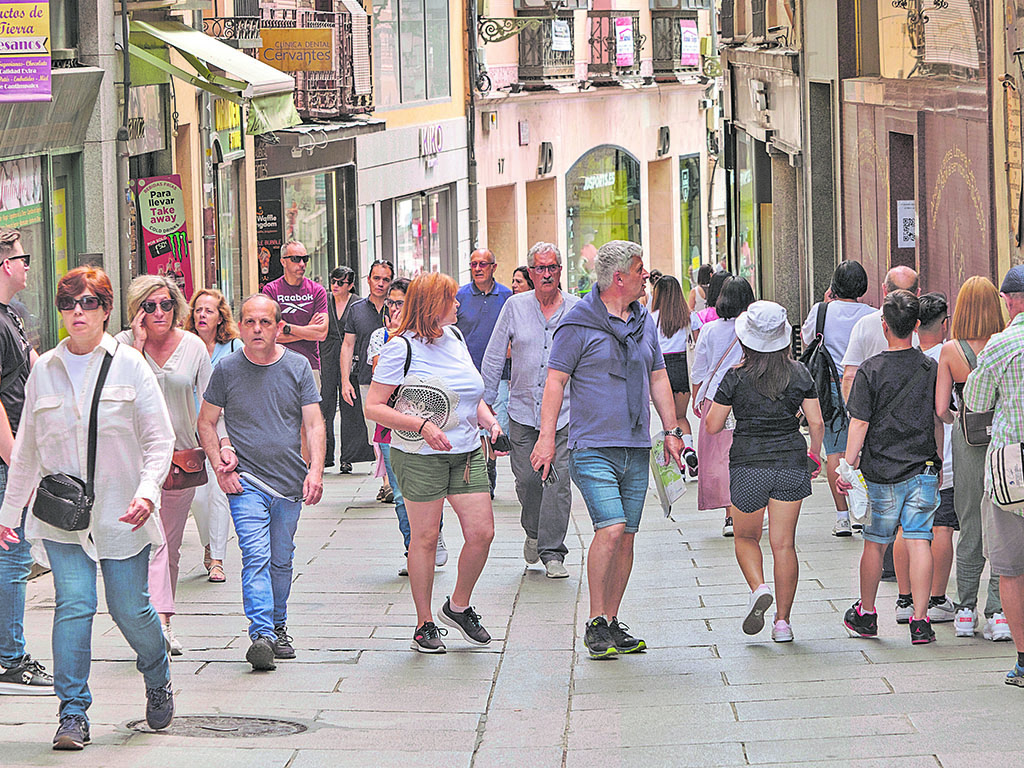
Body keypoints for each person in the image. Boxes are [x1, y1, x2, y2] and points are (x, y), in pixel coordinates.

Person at [0, 267, 176, 749]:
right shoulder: (45, 368)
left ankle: (156, 669)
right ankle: (72, 713)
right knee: (74, 606)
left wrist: (147, 492)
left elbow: (160, 441)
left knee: (129, 609)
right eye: (68, 303)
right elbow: (28, 450)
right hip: (63, 519)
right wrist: (8, 513)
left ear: (105, 310)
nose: (77, 312)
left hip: (124, 511)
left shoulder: (130, 366)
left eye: (89, 303)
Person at [530, 241, 685, 660]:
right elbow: (555, 383)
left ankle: (612, 622)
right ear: (619, 278)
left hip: (635, 445)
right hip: (592, 445)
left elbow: (657, 378)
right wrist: (546, 438)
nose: (646, 276)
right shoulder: (577, 323)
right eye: (640, 270)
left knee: (627, 538)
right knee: (611, 528)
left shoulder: (642, 321)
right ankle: (595, 621)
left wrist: (671, 431)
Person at [365, 273, 505, 654]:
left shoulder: (456, 339)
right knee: (425, 538)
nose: (458, 304)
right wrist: (421, 425)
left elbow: (466, 393)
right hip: (419, 455)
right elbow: (373, 406)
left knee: (482, 532)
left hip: (465, 450)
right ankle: (424, 623)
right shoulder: (400, 349)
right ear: (432, 306)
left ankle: (457, 606)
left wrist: (490, 422)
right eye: (451, 299)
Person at [198, 294, 326, 671]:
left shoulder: (298, 367)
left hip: (289, 482)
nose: (256, 329)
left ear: (277, 327)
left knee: (282, 560)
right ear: (239, 326)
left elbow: (314, 423)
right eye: (250, 322)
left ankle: (278, 624)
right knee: (256, 556)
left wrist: (315, 470)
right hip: (247, 481)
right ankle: (261, 635)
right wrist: (221, 468)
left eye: (265, 322)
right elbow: (205, 420)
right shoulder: (226, 369)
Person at [705, 301, 824, 642]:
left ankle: (759, 587)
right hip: (790, 461)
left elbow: (712, 425)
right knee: (784, 544)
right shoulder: (799, 373)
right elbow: (816, 421)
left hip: (748, 464)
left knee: (745, 537)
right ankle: (783, 623)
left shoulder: (735, 377)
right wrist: (814, 456)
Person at [116, 276, 212, 658]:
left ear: (177, 307)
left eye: (166, 304)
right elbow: (121, 394)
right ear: (137, 310)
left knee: (167, 547)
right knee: (142, 547)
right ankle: (150, 620)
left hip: (178, 460)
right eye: (150, 306)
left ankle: (162, 622)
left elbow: (209, 409)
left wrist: (221, 450)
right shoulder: (122, 347)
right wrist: (138, 347)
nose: (159, 313)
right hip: (129, 462)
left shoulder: (193, 348)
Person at [841, 290, 943, 646]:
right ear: (916, 326)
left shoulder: (870, 370)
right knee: (919, 540)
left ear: (884, 325)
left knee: (874, 544)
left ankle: (867, 614)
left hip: (881, 471)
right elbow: (938, 416)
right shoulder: (930, 367)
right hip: (923, 467)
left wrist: (848, 466)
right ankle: (920, 620)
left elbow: (859, 424)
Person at [481, 242, 579, 579]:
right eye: (540, 268)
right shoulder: (514, 306)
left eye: (552, 267)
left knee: (558, 482)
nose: (547, 274)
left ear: (560, 271)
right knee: (526, 481)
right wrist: (486, 406)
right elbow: (494, 357)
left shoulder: (576, 310)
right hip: (522, 412)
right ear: (531, 272)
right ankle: (534, 532)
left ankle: (553, 552)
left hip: (565, 415)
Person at [936, 276, 1007, 640]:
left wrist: (960, 417)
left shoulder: (950, 351)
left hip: (966, 442)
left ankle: (965, 610)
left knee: (968, 522)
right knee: (1004, 523)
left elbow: (940, 408)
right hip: (1005, 441)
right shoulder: (1005, 345)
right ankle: (998, 612)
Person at [963, 265, 1024, 685]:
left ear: (1011, 300)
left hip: (1011, 469)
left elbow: (976, 400)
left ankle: (1023, 660)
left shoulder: (1002, 346)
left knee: (1010, 567)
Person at [0, 228, 52, 695]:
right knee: (12, 557)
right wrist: (17, 460)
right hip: (5, 458)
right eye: (23, 257)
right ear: (4, 265)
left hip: (17, 453)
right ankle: (9, 656)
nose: (28, 265)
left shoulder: (11, 315)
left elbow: (38, 365)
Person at [366, 278, 448, 574]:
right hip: (390, 426)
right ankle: (414, 550)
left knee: (428, 492)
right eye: (390, 303)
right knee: (401, 495)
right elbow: (380, 375)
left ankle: (432, 535)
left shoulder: (432, 339)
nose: (394, 309)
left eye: (400, 303)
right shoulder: (382, 338)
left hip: (427, 426)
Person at [890, 293, 957, 626]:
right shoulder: (951, 357)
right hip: (943, 460)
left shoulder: (905, 361)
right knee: (942, 526)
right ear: (944, 324)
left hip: (907, 461)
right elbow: (943, 413)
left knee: (907, 527)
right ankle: (936, 599)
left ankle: (904, 599)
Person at [800, 261, 876, 537]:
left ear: (834, 285)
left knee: (835, 451)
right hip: (866, 388)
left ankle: (843, 517)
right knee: (862, 449)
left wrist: (823, 305)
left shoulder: (822, 311)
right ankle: (861, 512)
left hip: (830, 388)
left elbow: (807, 338)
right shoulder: (874, 315)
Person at [183, 288, 240, 585]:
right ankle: (208, 543)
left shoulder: (233, 348)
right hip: (188, 431)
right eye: (198, 310)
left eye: (209, 310)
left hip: (222, 430)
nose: (202, 315)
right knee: (198, 498)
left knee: (218, 493)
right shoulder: (184, 346)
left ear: (221, 318)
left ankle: (217, 558)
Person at [691, 276, 755, 537]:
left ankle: (730, 514)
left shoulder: (710, 329)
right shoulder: (752, 329)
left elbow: (699, 370)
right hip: (747, 399)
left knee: (719, 457)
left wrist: (698, 399)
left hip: (716, 399)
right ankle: (746, 509)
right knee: (744, 454)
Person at [262, 241, 328, 463]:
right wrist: (307, 329)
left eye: (304, 259)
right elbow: (272, 333)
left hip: (310, 364)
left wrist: (288, 327)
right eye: (296, 259)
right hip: (278, 362)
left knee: (307, 422)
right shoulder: (271, 290)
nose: (302, 264)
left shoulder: (317, 291)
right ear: (283, 262)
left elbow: (322, 332)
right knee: (281, 420)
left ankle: (306, 470)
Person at [456, 248, 513, 497]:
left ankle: (491, 464)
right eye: (474, 264)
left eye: (483, 264)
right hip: (468, 373)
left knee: (493, 422)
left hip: (499, 373)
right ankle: (483, 470)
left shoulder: (507, 297)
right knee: (474, 423)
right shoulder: (460, 296)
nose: (478, 268)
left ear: (493, 267)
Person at [341, 259, 394, 499]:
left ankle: (393, 479)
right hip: (366, 380)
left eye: (385, 279)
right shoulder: (357, 309)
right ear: (368, 279)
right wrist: (344, 380)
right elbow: (348, 345)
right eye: (376, 278)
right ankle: (387, 481)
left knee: (395, 430)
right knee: (376, 432)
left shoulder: (397, 307)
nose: (380, 283)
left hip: (396, 381)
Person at [320, 266, 373, 474]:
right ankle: (324, 454)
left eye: (340, 282)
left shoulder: (357, 304)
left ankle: (349, 457)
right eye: (333, 281)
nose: (335, 286)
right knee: (325, 404)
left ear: (350, 285)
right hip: (327, 355)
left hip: (351, 357)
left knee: (350, 406)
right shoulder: (324, 300)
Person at [650, 275, 698, 477]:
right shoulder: (688, 317)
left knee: (668, 421)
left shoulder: (651, 318)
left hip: (661, 370)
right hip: (682, 369)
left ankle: (678, 466)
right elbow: (698, 343)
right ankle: (688, 448)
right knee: (680, 417)